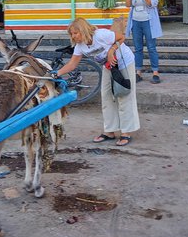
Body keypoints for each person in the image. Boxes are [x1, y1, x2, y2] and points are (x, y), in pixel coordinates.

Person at [55, 17, 139, 147]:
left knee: (124, 95)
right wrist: (56, 74)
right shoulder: (80, 46)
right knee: (106, 97)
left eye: (75, 33)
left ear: (83, 30)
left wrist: (111, 51)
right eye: (71, 33)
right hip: (108, 66)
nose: (73, 36)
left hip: (124, 62)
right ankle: (109, 131)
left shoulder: (101, 35)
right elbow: (72, 64)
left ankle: (126, 133)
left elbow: (121, 37)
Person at [125, 0, 162, 84]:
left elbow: (154, 3)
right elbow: (128, 5)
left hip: (148, 20)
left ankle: (155, 72)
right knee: (138, 48)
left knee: (151, 47)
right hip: (136, 20)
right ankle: (138, 72)